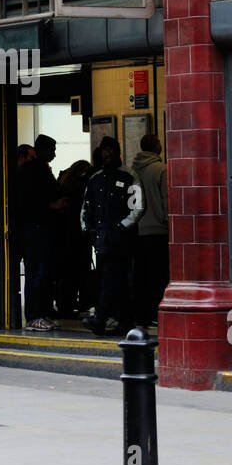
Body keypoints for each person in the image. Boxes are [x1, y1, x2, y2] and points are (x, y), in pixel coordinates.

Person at [81, 137, 143, 337]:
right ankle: (125, 321)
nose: (106, 156)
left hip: (121, 239)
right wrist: (87, 228)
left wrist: (121, 227)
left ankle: (100, 319)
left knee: (108, 279)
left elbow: (138, 205)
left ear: (118, 154)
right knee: (116, 281)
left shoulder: (129, 176)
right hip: (101, 238)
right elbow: (86, 206)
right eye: (104, 153)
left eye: (110, 153)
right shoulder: (95, 178)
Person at [17, 134, 68, 331]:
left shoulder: (35, 169)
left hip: (37, 227)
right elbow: (32, 201)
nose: (54, 154)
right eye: (52, 149)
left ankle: (40, 313)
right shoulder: (35, 170)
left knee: (41, 272)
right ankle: (34, 316)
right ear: (42, 150)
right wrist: (52, 206)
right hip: (36, 227)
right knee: (36, 273)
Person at [129, 135, 169, 327]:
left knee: (141, 275)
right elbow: (166, 199)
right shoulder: (162, 170)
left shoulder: (132, 170)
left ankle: (141, 314)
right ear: (157, 147)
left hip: (137, 231)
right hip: (158, 230)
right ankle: (155, 311)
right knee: (158, 274)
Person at [55, 160, 94, 317]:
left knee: (66, 272)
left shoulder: (63, 182)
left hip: (63, 235)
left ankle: (65, 303)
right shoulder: (82, 186)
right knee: (80, 270)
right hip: (78, 234)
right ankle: (81, 303)